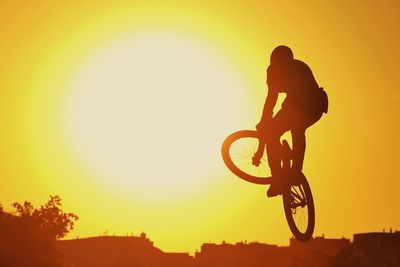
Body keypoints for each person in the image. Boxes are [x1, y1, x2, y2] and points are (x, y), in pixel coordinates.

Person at [253, 45, 328, 197]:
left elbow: (279, 101)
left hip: (312, 105)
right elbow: (271, 99)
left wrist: (266, 124)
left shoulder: (300, 68)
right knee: (273, 131)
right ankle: (278, 179)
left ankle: (295, 171)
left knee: (297, 128)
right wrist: (263, 123)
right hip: (296, 106)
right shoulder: (273, 71)